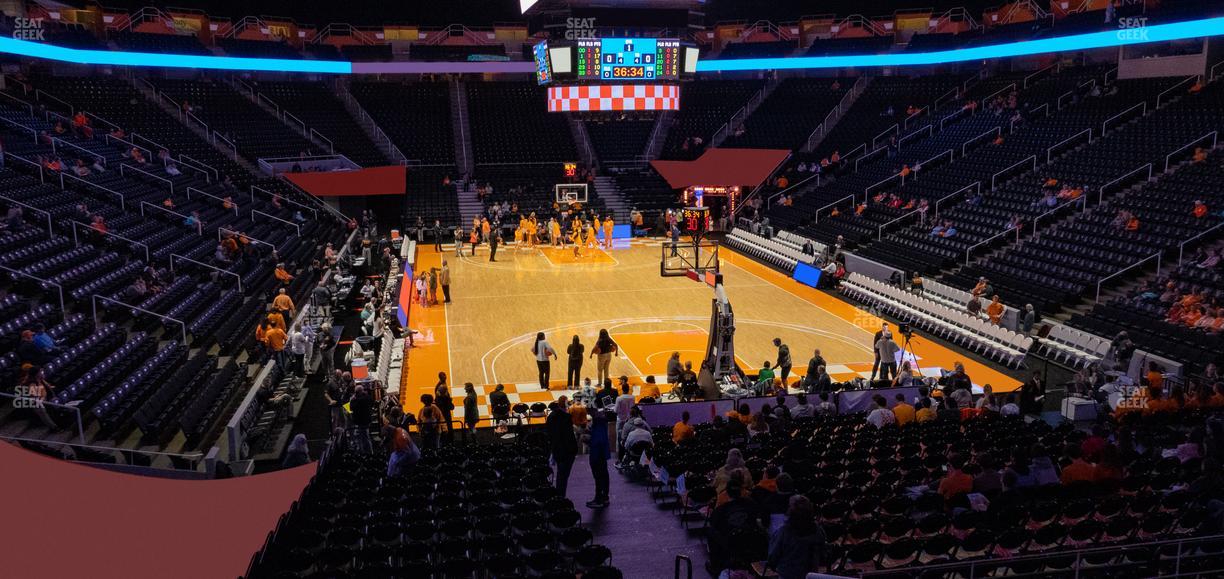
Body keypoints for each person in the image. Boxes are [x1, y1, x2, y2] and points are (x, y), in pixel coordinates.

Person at [765, 495, 826, 579]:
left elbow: (772, 558)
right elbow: (823, 552)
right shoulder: (818, 530)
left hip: (788, 575)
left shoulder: (784, 532)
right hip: (810, 574)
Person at [547, 398, 579, 496]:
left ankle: (559, 496)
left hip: (557, 451)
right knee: (563, 477)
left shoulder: (551, 416)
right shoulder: (567, 417)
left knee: (561, 476)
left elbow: (549, 434)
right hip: (567, 452)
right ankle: (560, 497)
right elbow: (569, 437)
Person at [586, 406, 611, 508]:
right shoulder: (601, 421)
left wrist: (588, 440)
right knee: (603, 475)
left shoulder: (598, 422)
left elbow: (598, 441)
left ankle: (599, 499)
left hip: (597, 454)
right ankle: (604, 497)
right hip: (601, 453)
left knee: (599, 476)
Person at [349, 385, 375, 453]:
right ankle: (367, 451)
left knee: (364, 437)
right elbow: (372, 403)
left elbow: (351, 408)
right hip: (367, 419)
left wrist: (352, 400)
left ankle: (366, 452)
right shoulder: (367, 397)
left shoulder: (357, 400)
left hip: (361, 421)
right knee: (364, 436)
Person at [434, 372, 454, 441]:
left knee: (444, 426)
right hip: (444, 412)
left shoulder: (439, 387)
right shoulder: (442, 394)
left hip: (442, 411)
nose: (445, 378)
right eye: (444, 377)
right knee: (447, 425)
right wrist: (449, 400)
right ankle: (448, 439)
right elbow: (451, 406)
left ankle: (445, 439)